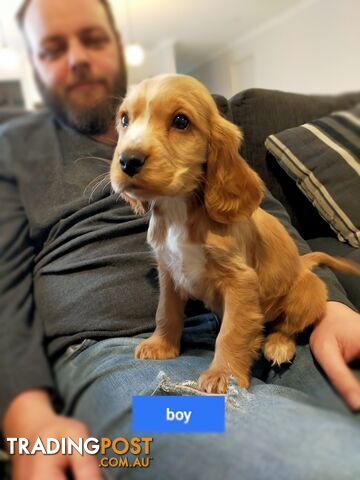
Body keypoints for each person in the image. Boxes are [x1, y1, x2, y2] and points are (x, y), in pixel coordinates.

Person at [0, 0, 359, 479]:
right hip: (125, 357)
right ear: (34, 63)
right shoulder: (13, 146)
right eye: (51, 48)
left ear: (115, 44)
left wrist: (331, 306)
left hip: (250, 320)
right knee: (293, 458)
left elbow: (260, 214)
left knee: (346, 410)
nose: (77, 58)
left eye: (92, 38)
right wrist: (29, 415)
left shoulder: (209, 114)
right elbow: (4, 293)